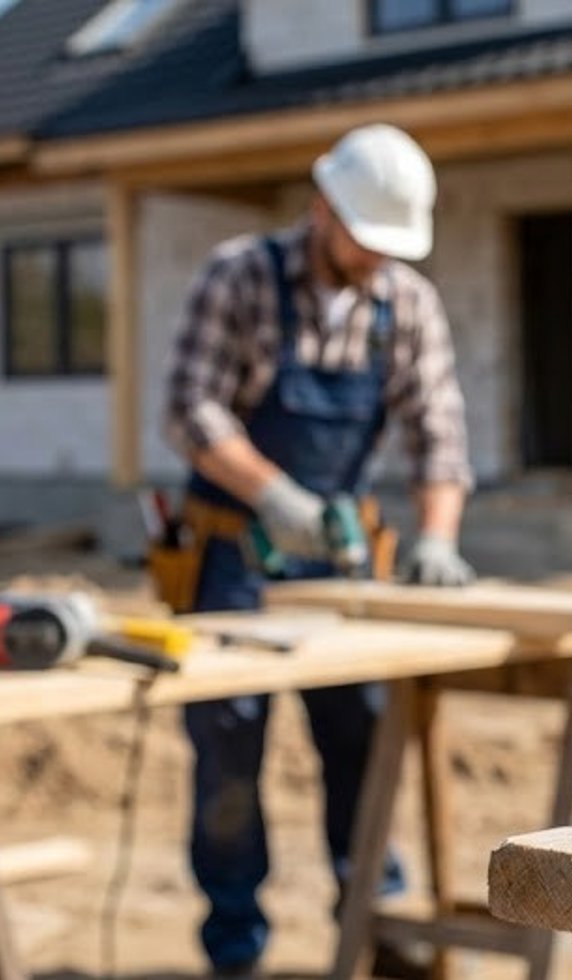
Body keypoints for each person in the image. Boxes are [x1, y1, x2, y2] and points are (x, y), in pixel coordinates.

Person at [161, 123, 475, 977]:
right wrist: (273, 494)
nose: (376, 259)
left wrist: (439, 535)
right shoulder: (241, 277)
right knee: (229, 747)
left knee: (364, 736)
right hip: (231, 553)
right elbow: (190, 410)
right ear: (323, 210)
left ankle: (376, 918)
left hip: (336, 563)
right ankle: (236, 946)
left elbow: (438, 432)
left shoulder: (404, 304)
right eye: (365, 241)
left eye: (389, 247)